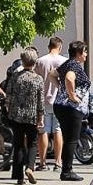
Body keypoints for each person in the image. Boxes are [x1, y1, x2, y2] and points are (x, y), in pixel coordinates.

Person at [3, 48, 44, 185]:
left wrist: (8, 108)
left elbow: (9, 95)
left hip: (16, 115)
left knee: (19, 144)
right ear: (34, 62)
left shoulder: (15, 77)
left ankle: (19, 176)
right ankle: (30, 167)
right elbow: (40, 101)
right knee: (32, 143)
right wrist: (40, 117)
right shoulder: (38, 79)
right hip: (32, 115)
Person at [53, 41, 91, 180]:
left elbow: (52, 74)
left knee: (68, 138)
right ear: (78, 53)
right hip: (72, 108)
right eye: (84, 51)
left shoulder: (67, 64)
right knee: (71, 140)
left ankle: (66, 169)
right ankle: (67, 171)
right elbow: (69, 78)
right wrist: (72, 95)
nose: (86, 54)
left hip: (61, 105)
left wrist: (61, 88)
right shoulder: (74, 65)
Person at [33, 36, 67, 173]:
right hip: (59, 100)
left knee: (43, 131)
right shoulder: (64, 61)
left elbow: (36, 80)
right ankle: (58, 162)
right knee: (58, 130)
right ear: (60, 47)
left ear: (49, 47)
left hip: (43, 99)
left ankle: (42, 162)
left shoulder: (40, 61)